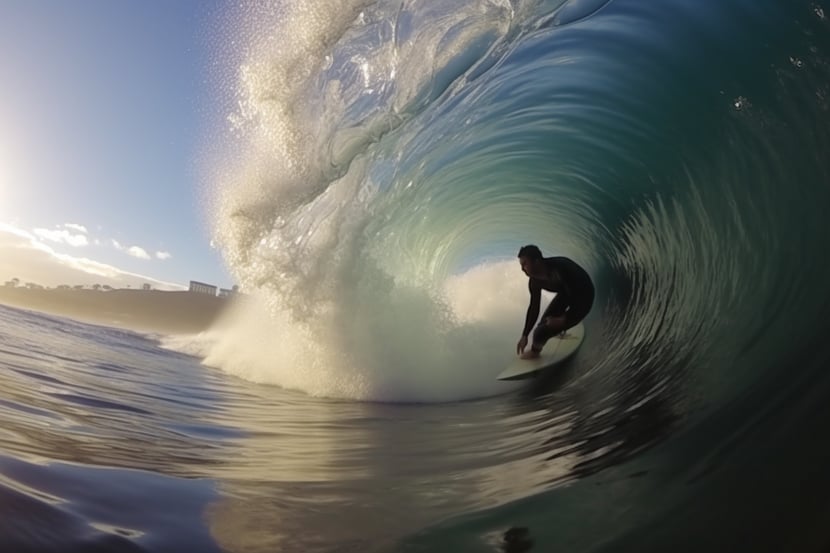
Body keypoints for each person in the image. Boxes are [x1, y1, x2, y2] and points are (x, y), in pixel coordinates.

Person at [516, 244, 595, 359]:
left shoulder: (561, 268)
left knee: (540, 332)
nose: (522, 269)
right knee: (543, 324)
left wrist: (565, 318)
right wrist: (525, 335)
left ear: (537, 261)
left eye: (525, 264)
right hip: (566, 294)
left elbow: (580, 296)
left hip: (585, 296)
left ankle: (535, 352)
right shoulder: (534, 282)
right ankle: (559, 329)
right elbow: (534, 307)